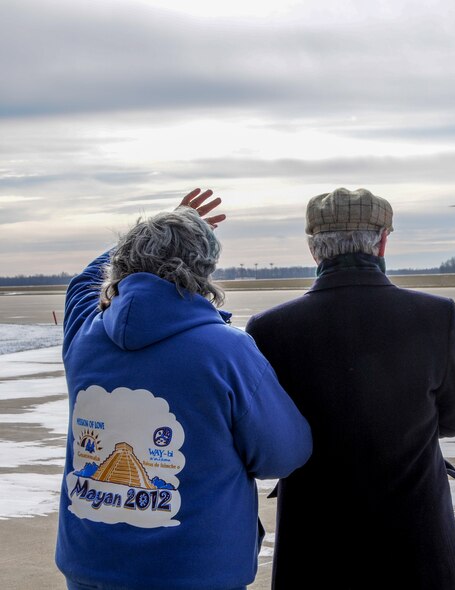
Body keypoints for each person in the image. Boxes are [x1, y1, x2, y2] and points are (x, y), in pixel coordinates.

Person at [56, 189, 313, 590]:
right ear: (204, 270)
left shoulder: (84, 334)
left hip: (91, 568)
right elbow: (282, 454)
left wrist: (156, 229)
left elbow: (84, 280)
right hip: (196, 571)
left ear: (122, 260)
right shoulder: (228, 350)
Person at [246, 187, 455, 589]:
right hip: (416, 542)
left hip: (315, 542)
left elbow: (266, 435)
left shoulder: (270, 328)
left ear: (313, 249)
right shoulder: (433, 315)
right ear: (383, 241)